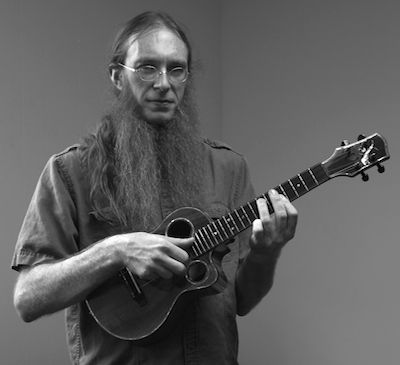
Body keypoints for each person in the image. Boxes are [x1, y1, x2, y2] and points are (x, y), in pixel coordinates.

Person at [12, 11, 298, 365]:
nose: (164, 83)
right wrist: (114, 250)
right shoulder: (69, 171)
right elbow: (28, 298)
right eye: (148, 67)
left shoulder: (229, 168)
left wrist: (267, 252)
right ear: (118, 76)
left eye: (176, 69)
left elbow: (242, 300)